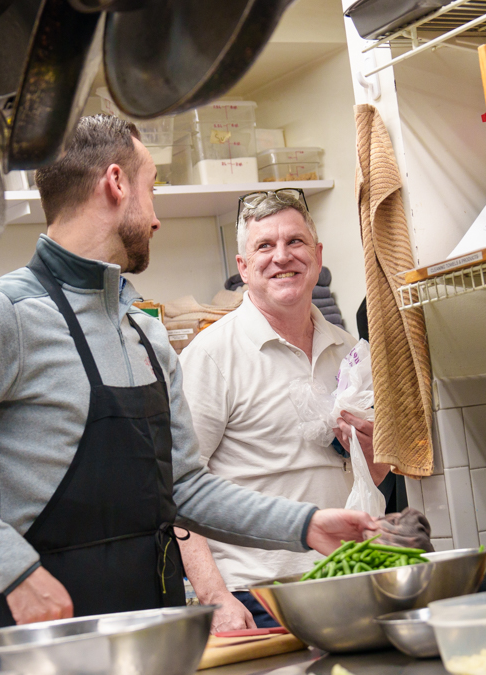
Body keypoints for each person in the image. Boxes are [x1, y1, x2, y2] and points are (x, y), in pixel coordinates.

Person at [0, 116, 378, 628]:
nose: (156, 219)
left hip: (158, 632)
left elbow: (184, 487)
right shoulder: (2, 315)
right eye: (151, 188)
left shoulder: (144, 332)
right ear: (116, 183)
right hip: (52, 641)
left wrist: (306, 525)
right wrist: (14, 570)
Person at [176, 190, 431, 631]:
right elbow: (178, 488)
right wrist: (215, 596)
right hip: (256, 595)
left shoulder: (351, 352)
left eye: (295, 241)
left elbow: (369, 477)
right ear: (243, 267)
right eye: (265, 246)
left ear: (317, 255)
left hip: (345, 582)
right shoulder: (210, 356)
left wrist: (371, 453)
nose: (282, 256)